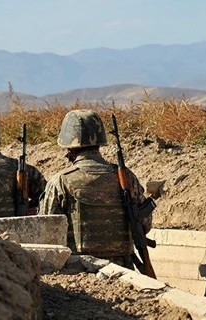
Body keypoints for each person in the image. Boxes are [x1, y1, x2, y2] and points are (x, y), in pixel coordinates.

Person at [37, 109, 153, 269]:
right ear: (99, 141)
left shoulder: (60, 181)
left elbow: (47, 232)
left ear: (69, 147)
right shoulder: (126, 178)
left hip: (78, 270)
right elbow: (144, 224)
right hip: (123, 267)